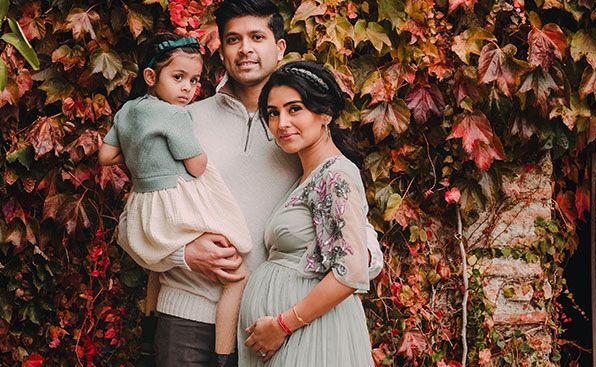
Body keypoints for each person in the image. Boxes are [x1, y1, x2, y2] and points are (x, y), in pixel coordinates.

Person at [116, 1, 383, 366]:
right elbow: (134, 221)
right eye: (233, 39)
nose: (245, 49)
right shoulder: (180, 120)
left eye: (257, 37)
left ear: (280, 47)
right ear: (221, 51)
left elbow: (351, 225)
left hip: (270, 327)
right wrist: (184, 254)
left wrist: (358, 264)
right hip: (187, 318)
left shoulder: (298, 133)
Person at [98, 32, 252, 359]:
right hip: (176, 200)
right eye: (178, 77)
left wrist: (146, 160)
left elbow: (106, 156)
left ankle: (149, 331)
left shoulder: (127, 111)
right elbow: (196, 166)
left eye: (194, 80)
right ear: (151, 77)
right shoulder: (176, 115)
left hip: (143, 200)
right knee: (236, 269)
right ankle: (225, 356)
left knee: (157, 267)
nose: (187, 88)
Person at [237, 60, 374, 366]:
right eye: (273, 113)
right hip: (295, 336)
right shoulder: (308, 176)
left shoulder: (335, 175)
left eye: (294, 109)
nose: (282, 122)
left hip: (307, 337)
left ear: (325, 113)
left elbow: (351, 270)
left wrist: (283, 325)